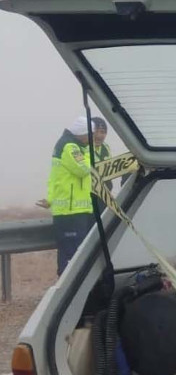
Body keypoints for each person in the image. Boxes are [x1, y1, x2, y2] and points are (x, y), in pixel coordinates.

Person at [48, 117, 98, 275]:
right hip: (71, 211)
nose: (92, 139)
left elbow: (54, 178)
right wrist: (89, 154)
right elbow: (83, 169)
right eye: (90, 135)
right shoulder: (70, 147)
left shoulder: (69, 144)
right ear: (82, 133)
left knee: (71, 256)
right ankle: (67, 292)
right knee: (72, 258)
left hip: (72, 211)